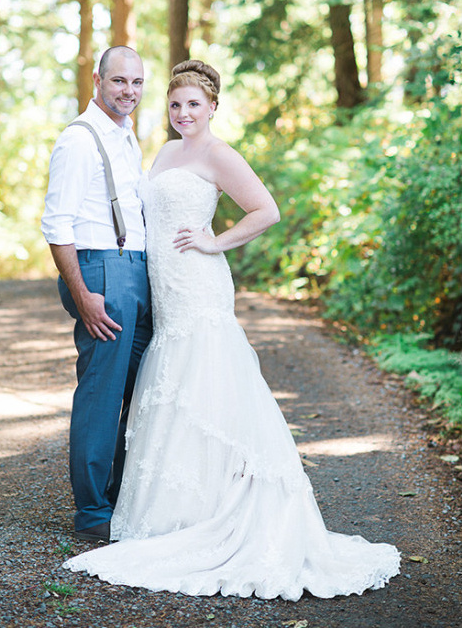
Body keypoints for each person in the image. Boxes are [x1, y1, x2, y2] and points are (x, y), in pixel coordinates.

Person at [63, 59, 401, 599]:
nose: (183, 113)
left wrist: (213, 241)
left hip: (198, 283)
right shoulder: (166, 152)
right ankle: (177, 503)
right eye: (175, 104)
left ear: (213, 107)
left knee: (208, 382)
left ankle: (225, 504)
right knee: (173, 384)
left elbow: (266, 210)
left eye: (194, 104)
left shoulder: (219, 154)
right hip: (164, 288)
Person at [41, 45, 152, 545]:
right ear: (97, 81)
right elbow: (57, 227)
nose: (128, 91)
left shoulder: (127, 138)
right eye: (119, 81)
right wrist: (82, 293)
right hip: (103, 273)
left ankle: (121, 496)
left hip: (137, 272)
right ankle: (92, 514)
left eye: (136, 83)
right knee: (101, 396)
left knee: (144, 393)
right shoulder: (79, 141)